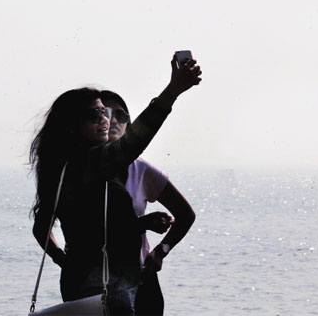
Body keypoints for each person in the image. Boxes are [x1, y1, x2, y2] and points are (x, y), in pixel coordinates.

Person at [30, 54, 201, 315]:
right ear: (73, 125)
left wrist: (63, 259)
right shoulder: (92, 162)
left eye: (105, 112)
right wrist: (173, 91)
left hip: (84, 282)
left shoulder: (62, 166)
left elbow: (88, 228)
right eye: (94, 114)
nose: (105, 119)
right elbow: (136, 139)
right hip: (109, 286)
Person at [100, 90, 196, 316]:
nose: (113, 120)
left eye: (121, 115)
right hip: (95, 281)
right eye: (105, 113)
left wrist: (162, 250)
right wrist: (61, 258)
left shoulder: (141, 169)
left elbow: (186, 215)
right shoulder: (82, 169)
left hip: (140, 278)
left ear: (130, 125)